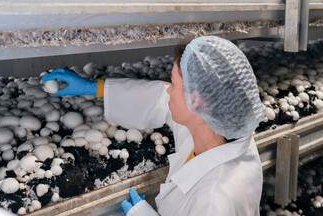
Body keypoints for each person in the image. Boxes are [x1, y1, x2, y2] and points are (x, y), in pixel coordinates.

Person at [42, 36, 265, 216]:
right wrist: (95, 88)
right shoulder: (220, 131)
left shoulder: (214, 201)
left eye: (174, 84)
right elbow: (162, 100)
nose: (168, 90)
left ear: (196, 100)